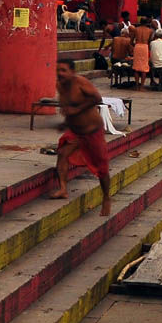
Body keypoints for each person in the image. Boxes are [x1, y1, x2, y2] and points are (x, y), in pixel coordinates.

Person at [49, 56, 111, 216]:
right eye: (58, 71)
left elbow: (97, 98)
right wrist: (65, 123)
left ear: (72, 72)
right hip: (76, 131)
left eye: (63, 70)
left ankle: (106, 198)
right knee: (62, 153)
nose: (60, 74)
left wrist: (76, 110)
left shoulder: (80, 82)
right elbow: (67, 108)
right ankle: (63, 189)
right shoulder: (60, 86)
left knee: (102, 169)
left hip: (92, 130)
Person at [131, 17, 152, 91]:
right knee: (144, 68)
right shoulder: (150, 31)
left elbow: (131, 40)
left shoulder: (136, 29)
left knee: (136, 67)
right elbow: (149, 41)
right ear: (147, 23)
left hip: (137, 46)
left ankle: (137, 86)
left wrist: (135, 45)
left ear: (140, 22)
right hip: (145, 47)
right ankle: (142, 86)